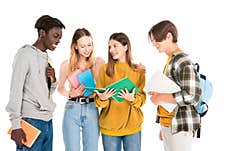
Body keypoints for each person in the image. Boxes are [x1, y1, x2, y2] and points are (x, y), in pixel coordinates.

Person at [5, 15, 65, 151]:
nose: (58, 40)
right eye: (55, 36)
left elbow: (45, 92)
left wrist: (53, 80)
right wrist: (16, 125)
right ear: (42, 33)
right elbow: (16, 89)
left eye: (60, 37)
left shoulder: (47, 58)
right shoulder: (25, 54)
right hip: (30, 121)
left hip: (48, 122)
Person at [148, 20, 202, 151]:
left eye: (156, 39)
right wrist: (164, 126)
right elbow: (172, 91)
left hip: (180, 127)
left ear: (169, 36)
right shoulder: (170, 60)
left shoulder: (182, 61)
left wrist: (161, 97)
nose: (154, 43)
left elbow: (192, 96)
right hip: (170, 125)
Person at [94, 32, 146, 151]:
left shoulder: (138, 70)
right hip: (110, 128)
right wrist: (102, 99)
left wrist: (132, 99)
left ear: (126, 47)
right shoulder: (105, 70)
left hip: (132, 127)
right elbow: (98, 101)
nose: (111, 50)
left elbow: (142, 99)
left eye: (115, 46)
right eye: (109, 47)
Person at [57, 28, 105, 151]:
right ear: (75, 46)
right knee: (71, 148)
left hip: (92, 108)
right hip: (72, 108)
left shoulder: (98, 62)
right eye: (83, 46)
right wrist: (70, 93)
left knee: (92, 149)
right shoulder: (66, 65)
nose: (87, 49)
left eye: (90, 44)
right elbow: (60, 88)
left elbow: (110, 77)